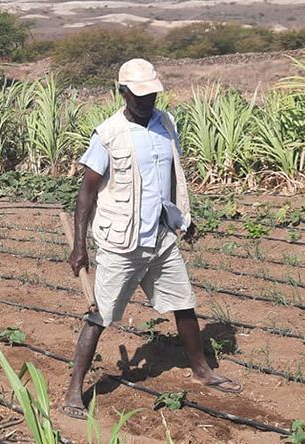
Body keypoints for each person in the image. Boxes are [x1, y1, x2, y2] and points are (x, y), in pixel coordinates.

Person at [61, 59, 243, 420]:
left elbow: (171, 179)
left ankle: (202, 370)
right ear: (123, 92)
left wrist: (182, 219)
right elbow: (86, 193)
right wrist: (79, 246)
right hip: (121, 244)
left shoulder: (166, 124)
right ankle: (72, 393)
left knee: (183, 303)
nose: (147, 101)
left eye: (152, 94)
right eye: (139, 95)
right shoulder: (108, 134)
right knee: (100, 316)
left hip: (160, 238)